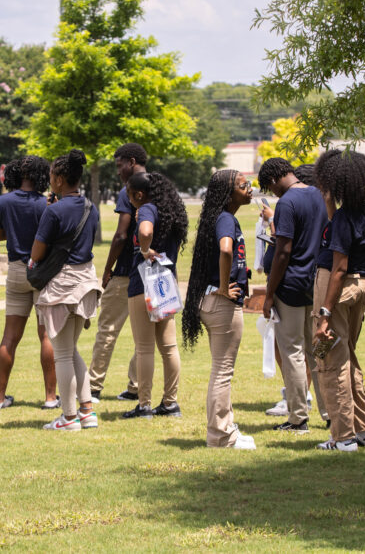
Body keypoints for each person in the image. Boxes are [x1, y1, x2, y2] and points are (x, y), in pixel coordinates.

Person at [311, 150, 365, 451]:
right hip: (361, 284)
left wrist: (324, 314)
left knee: (329, 358)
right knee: (348, 355)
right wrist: (329, 204)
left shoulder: (343, 218)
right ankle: (363, 429)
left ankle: (343, 437)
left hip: (336, 288)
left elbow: (338, 268)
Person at [182, 169, 256, 449]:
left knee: (219, 370)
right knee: (223, 371)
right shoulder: (225, 218)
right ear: (228, 193)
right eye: (242, 185)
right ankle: (221, 435)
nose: (249, 188)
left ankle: (224, 429)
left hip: (210, 301)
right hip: (220, 303)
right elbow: (226, 250)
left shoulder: (221, 217)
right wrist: (225, 287)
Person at [31, 150, 101, 431]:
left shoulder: (53, 211)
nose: (50, 181)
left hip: (61, 284)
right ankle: (87, 411)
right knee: (71, 349)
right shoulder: (90, 207)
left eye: (51, 176)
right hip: (85, 281)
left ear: (59, 179)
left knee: (61, 352)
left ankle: (69, 417)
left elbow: (37, 251)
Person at [258, 157, 327, 434]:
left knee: (293, 352)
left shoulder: (287, 202)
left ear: (274, 179)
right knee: (316, 353)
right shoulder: (318, 195)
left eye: (270, 187)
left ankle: (298, 417)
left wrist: (269, 293)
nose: (273, 192)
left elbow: (284, 251)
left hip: (291, 285)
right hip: (315, 283)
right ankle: (330, 412)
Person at [0, 155, 58, 410]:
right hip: (41, 271)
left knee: (9, 337)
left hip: (16, 271)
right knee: (46, 336)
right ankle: (51, 398)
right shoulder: (46, 204)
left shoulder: (4, 201)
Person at [122, 171, 187, 419]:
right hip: (166, 282)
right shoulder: (170, 212)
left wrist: (145, 249)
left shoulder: (147, 208)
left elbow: (146, 232)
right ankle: (170, 403)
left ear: (139, 194)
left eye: (130, 195)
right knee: (169, 347)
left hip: (144, 283)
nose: (130, 200)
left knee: (145, 348)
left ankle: (145, 405)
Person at [89, 143, 142, 403]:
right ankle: (136, 387)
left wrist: (108, 268)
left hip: (125, 272)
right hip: (153, 272)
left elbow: (121, 234)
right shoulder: (160, 186)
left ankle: (93, 387)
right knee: (144, 335)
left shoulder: (129, 191)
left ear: (131, 161)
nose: (118, 170)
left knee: (107, 330)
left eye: (119, 164)